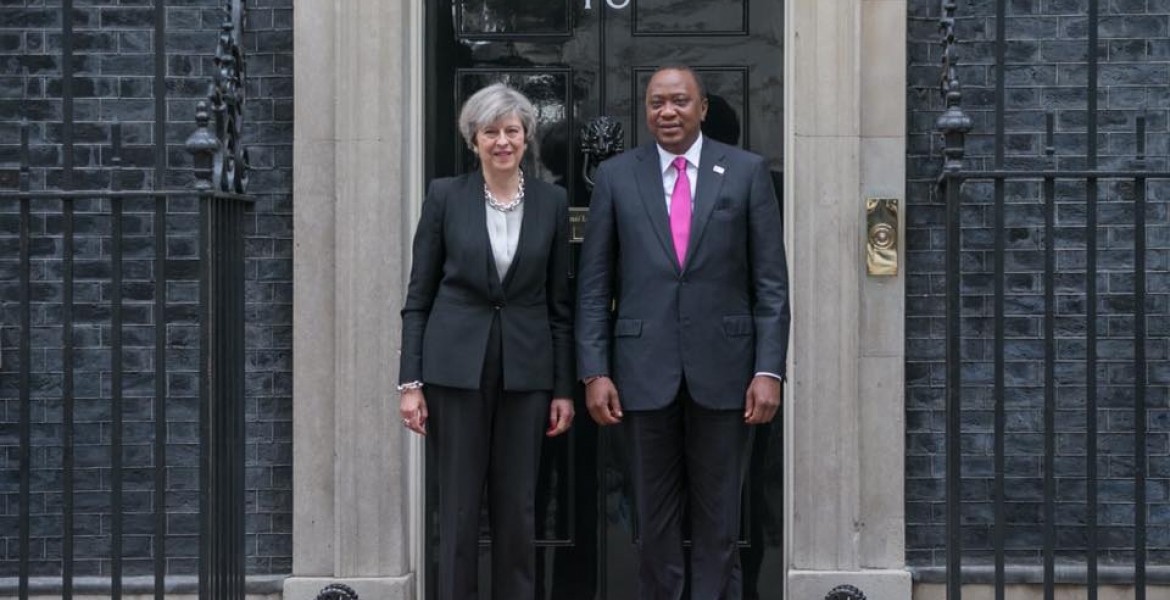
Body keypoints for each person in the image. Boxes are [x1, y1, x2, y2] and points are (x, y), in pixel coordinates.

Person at [576, 66, 790, 599]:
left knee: (721, 522)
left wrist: (768, 370)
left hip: (727, 375)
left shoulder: (745, 172)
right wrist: (594, 370)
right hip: (640, 376)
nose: (666, 112)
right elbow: (593, 284)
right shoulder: (617, 177)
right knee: (653, 521)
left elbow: (770, 284)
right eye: (656, 103)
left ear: (702, 109)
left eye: (678, 101)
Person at [398, 82, 575, 600]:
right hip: (455, 371)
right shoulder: (444, 197)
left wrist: (563, 388)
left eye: (512, 130)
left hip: (528, 372)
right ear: (473, 139)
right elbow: (419, 296)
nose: (503, 141)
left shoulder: (553, 201)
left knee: (518, 505)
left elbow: (559, 305)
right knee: (457, 504)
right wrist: (411, 382)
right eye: (491, 131)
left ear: (527, 138)